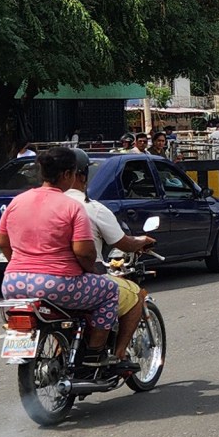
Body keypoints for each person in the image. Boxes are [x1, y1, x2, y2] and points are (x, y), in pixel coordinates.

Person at [0, 146, 127, 360]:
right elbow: (83, 253)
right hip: (57, 285)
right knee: (110, 290)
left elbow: (2, 241)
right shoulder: (72, 207)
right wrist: (90, 271)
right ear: (67, 174)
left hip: (13, 283)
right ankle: (94, 355)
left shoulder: (17, 202)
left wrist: (20, 264)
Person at [61, 148, 154, 361]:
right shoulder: (88, 209)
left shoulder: (33, 205)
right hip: (73, 280)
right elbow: (115, 245)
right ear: (80, 175)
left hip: (23, 281)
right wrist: (140, 242)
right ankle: (112, 354)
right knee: (133, 295)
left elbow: (4, 242)